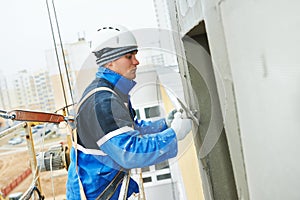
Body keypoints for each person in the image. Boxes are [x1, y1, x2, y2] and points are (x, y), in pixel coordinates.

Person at [66, 25, 192, 199]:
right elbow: (130, 152)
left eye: (135, 55)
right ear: (110, 62)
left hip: (106, 189)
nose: (136, 61)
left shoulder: (112, 92)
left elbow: (131, 129)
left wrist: (164, 124)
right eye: (129, 56)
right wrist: (173, 134)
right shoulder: (102, 101)